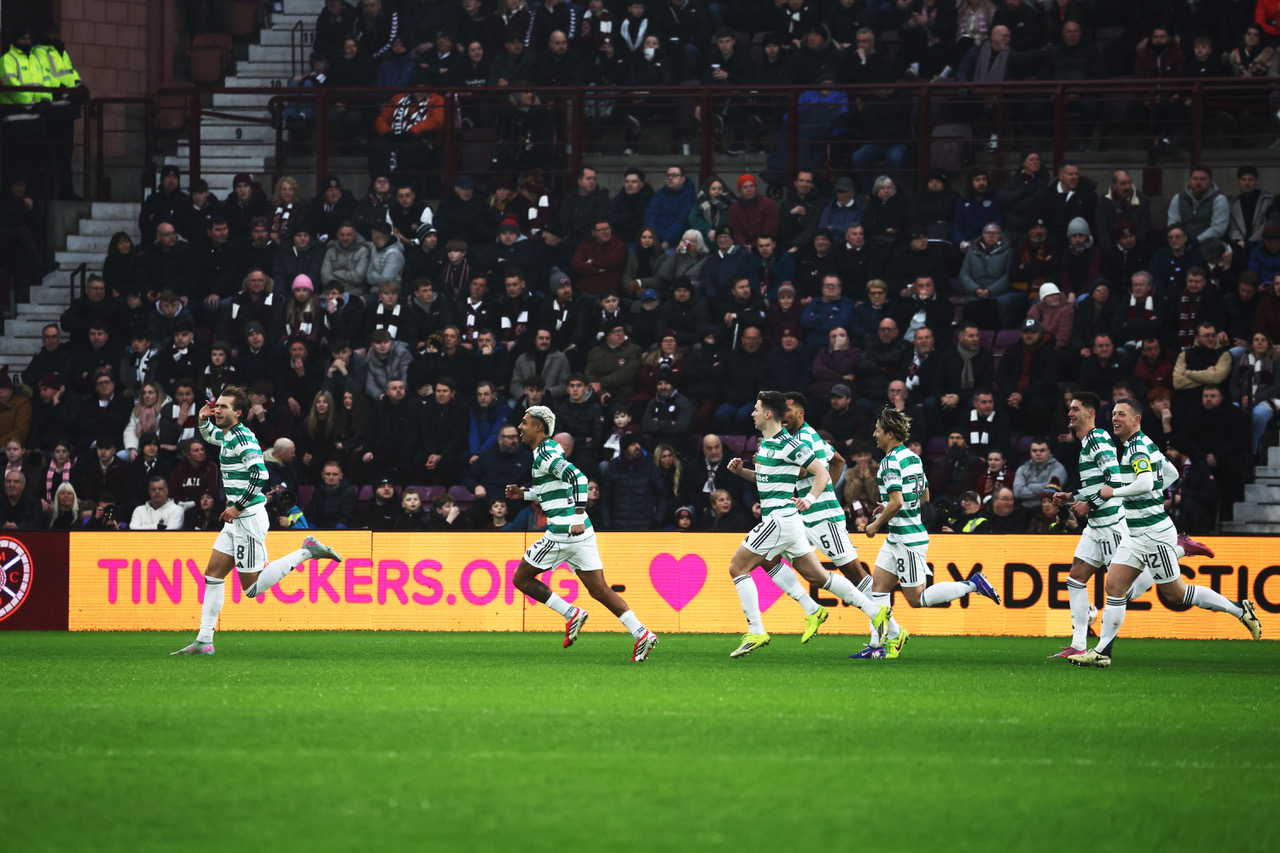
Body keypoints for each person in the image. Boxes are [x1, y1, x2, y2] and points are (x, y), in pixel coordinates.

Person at [1069, 398, 1261, 668]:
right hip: (1136, 533)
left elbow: (1146, 481)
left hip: (1153, 534)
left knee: (1177, 594)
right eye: (1113, 414)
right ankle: (1102, 651)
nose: (1115, 418)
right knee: (1114, 587)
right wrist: (1150, 495)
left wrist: (1116, 491)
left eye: (1122, 414)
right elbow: (1170, 473)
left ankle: (1239, 609)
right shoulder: (1144, 444)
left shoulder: (1136, 448)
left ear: (1136, 419)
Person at [172, 387, 341, 655]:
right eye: (217, 406)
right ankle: (204, 641)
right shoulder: (228, 435)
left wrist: (238, 507)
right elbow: (210, 436)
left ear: (238, 413)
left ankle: (306, 551)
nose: (218, 410)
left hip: (247, 518)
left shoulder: (243, 439)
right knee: (213, 575)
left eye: (223, 407)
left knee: (251, 589)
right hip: (235, 519)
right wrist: (203, 419)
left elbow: (260, 476)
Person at [722, 391, 889, 659]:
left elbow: (823, 471)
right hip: (789, 523)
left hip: (781, 519)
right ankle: (870, 612)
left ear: (768, 414)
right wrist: (741, 472)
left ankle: (756, 630)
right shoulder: (766, 444)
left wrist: (810, 499)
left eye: (756, 409)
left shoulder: (791, 444)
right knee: (818, 577)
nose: (751, 413)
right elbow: (768, 481)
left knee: (738, 567)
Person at [505, 405, 659, 662]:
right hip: (583, 532)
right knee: (599, 590)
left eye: (524, 422)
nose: (520, 427)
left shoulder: (545, 456)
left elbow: (580, 479)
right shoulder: (550, 448)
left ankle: (570, 613)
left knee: (521, 578)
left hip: (563, 531)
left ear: (538, 427)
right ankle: (641, 633)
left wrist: (576, 516)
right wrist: (525, 494)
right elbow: (558, 489)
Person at [860, 407, 1002, 659]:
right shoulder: (913, 458)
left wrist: (875, 524)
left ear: (890, 434)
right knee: (878, 590)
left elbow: (896, 502)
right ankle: (877, 645)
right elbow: (924, 496)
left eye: (878, 431)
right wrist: (892, 506)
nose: (875, 435)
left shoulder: (889, 462)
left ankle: (972, 584)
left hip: (907, 539)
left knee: (916, 599)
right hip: (898, 537)